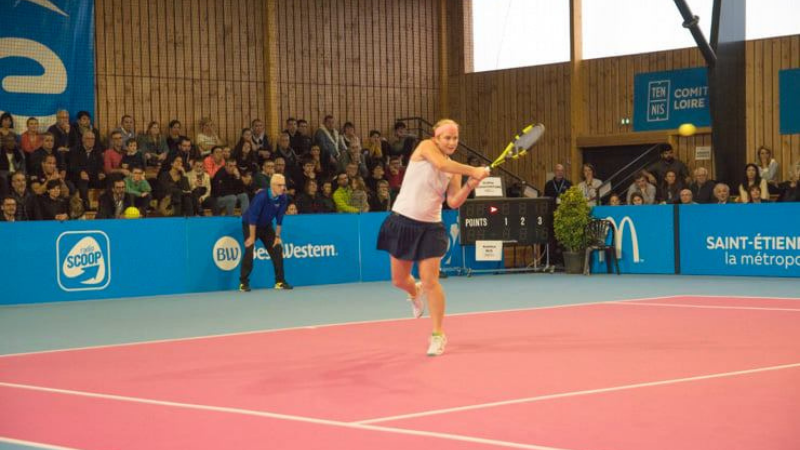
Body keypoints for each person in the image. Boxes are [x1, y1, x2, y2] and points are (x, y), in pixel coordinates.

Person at [377, 119, 488, 356]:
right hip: (403, 222)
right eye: (447, 137)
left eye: (455, 138)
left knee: (431, 281)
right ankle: (414, 292)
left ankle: (438, 334)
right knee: (399, 280)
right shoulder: (425, 147)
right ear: (436, 138)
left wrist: (470, 184)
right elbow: (440, 164)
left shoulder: (454, 169)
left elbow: (453, 201)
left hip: (432, 228)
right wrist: (473, 170)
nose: (451, 142)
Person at [239, 173, 292, 292]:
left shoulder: (283, 197)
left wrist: (277, 236)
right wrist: (252, 237)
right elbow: (252, 218)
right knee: (249, 249)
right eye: (280, 185)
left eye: (284, 185)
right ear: (272, 186)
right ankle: (243, 283)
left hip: (266, 226)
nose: (283, 188)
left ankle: (280, 282)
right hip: (250, 224)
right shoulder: (261, 197)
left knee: (277, 248)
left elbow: (279, 219)